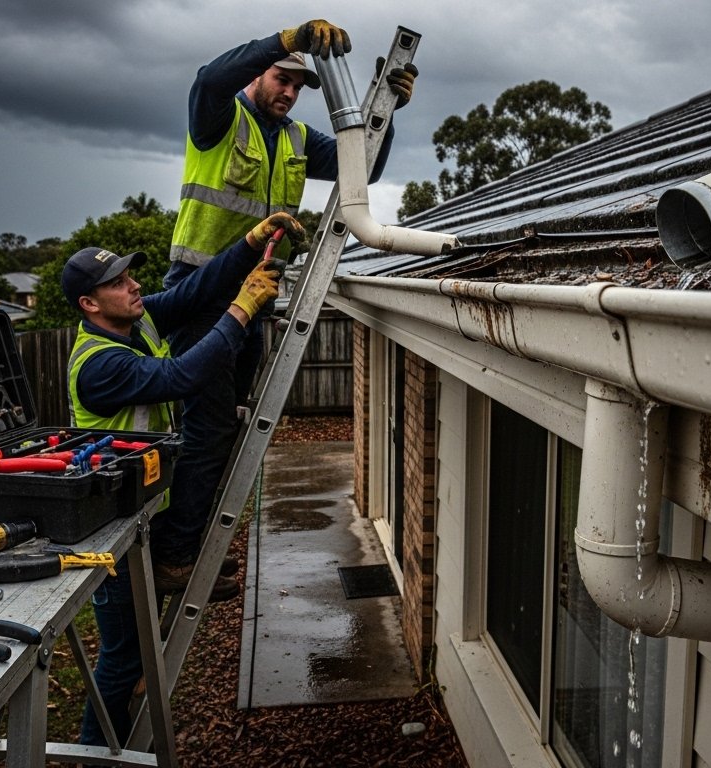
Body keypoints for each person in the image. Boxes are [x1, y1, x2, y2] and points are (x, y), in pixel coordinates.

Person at [153, 19, 418, 595]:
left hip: (254, 294)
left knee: (229, 428)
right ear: (258, 73)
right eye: (282, 79)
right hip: (199, 293)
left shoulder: (296, 140)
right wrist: (287, 40)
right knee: (209, 427)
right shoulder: (220, 119)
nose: (290, 92)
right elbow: (207, 80)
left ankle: (191, 548)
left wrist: (386, 109)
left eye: (299, 87)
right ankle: (172, 554)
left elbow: (362, 166)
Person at [63, 213, 296, 747]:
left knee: (136, 652)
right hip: (115, 529)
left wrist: (248, 244)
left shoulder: (135, 323)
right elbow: (182, 376)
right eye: (118, 282)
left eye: (130, 275)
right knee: (122, 657)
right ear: (89, 304)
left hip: (145, 512)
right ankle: (96, 754)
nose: (134, 284)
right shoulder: (99, 363)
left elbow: (195, 291)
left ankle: (116, 744)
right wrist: (243, 309)